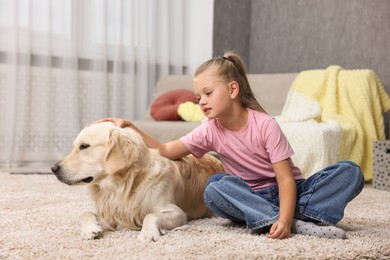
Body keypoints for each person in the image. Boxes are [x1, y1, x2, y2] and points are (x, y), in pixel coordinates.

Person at [94, 51, 364, 239]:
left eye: (208, 94)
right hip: (248, 196)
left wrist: (283, 217)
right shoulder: (210, 130)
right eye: (198, 96)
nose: (201, 101)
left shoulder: (265, 125)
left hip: (290, 190)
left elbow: (284, 180)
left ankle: (283, 221)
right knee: (215, 188)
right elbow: (165, 151)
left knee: (350, 172)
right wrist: (130, 126)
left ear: (233, 90)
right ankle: (299, 221)